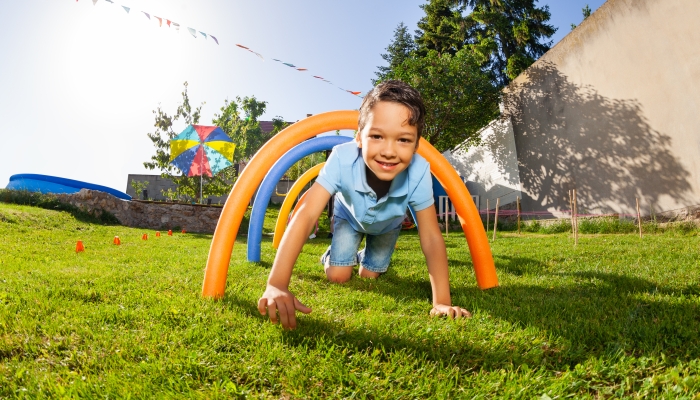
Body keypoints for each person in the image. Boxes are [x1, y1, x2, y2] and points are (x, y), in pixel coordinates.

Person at [258, 80, 472, 329]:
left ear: (415, 145)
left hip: (387, 225)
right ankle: (334, 255)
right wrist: (277, 284)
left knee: (369, 276)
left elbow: (432, 237)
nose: (389, 151)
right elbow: (305, 216)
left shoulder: (419, 171)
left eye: (403, 140)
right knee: (339, 277)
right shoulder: (342, 158)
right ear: (360, 137)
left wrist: (442, 302)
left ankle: (360, 257)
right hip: (348, 216)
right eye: (377, 136)